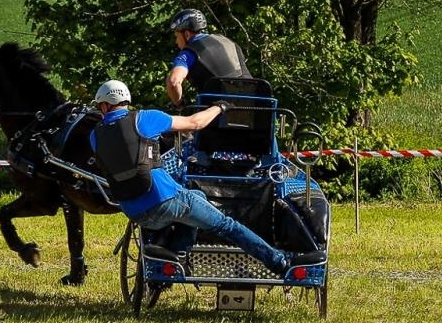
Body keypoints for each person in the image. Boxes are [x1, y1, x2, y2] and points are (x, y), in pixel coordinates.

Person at [89, 79, 322, 277]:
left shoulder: (95, 136)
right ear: (125, 102)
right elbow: (195, 123)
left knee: (197, 196)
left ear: (104, 106)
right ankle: (280, 263)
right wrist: (219, 108)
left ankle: (177, 253)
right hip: (166, 199)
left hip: (134, 210)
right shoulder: (145, 118)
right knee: (227, 225)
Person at [164, 8, 252, 106]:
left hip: (219, 113)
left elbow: (173, 82)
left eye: (176, 36)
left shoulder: (188, 53)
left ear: (187, 34)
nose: (176, 42)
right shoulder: (228, 42)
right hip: (256, 107)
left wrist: (180, 104)